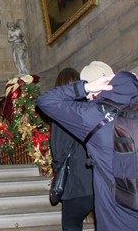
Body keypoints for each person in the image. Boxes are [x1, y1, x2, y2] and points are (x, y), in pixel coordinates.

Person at [36, 66, 138, 231]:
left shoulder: (97, 116)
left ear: (98, 89)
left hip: (122, 220)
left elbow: (45, 100)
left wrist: (85, 87)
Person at [49, 67, 93, 231]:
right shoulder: (91, 108)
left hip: (75, 184)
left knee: (71, 226)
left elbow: (58, 150)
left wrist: (58, 169)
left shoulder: (60, 113)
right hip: (97, 181)